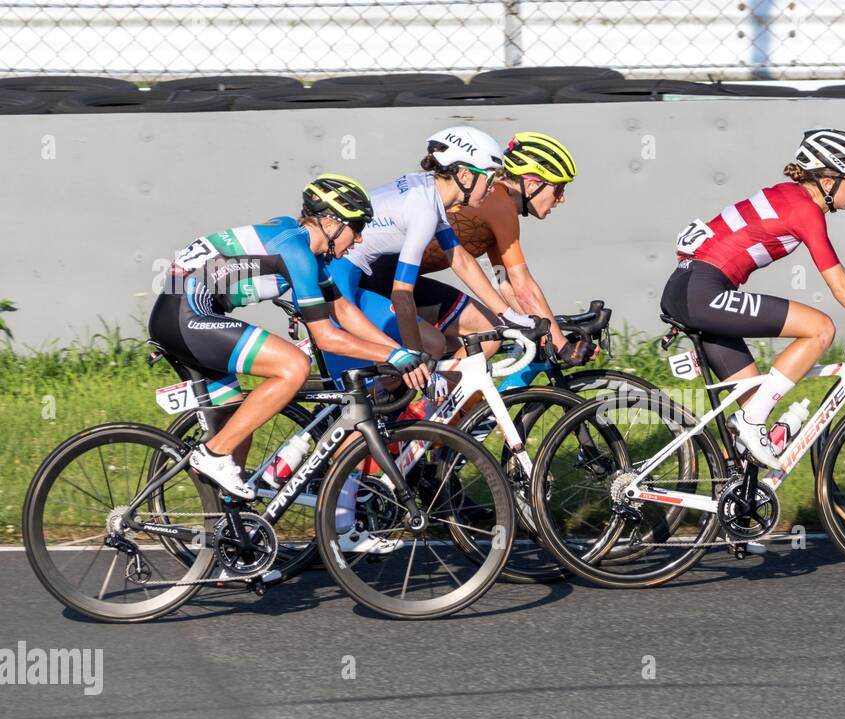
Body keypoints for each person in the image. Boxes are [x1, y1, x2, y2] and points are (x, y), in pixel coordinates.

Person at [148, 175, 431, 501]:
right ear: (329, 221)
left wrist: (398, 351)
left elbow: (343, 312)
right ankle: (212, 455)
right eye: (357, 227)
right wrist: (392, 358)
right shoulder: (295, 252)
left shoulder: (299, 244)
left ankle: (230, 532)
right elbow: (326, 337)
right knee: (293, 366)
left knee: (237, 431)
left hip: (183, 314)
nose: (359, 240)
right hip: (186, 316)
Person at [660, 128, 845, 470]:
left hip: (692, 289)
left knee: (756, 408)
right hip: (702, 291)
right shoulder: (805, 211)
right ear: (828, 180)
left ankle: (730, 489)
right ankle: (750, 424)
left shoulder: (788, 196)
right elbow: (841, 285)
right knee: (820, 328)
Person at [320, 126, 532, 382]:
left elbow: (461, 260)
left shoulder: (427, 189)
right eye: (489, 179)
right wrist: (413, 357)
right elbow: (401, 295)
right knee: (422, 351)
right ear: (465, 175)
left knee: (429, 345)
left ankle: (390, 416)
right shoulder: (424, 212)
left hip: (343, 281)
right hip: (333, 289)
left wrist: (508, 316)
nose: (491, 188)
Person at [354, 130, 583, 364]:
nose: (561, 198)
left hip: (387, 275)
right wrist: (562, 345)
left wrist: (530, 324)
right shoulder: (500, 205)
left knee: (466, 342)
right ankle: (429, 398)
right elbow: (523, 287)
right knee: (484, 337)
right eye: (558, 188)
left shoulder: (490, 204)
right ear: (533, 184)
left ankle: (428, 395)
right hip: (380, 277)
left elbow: (505, 283)